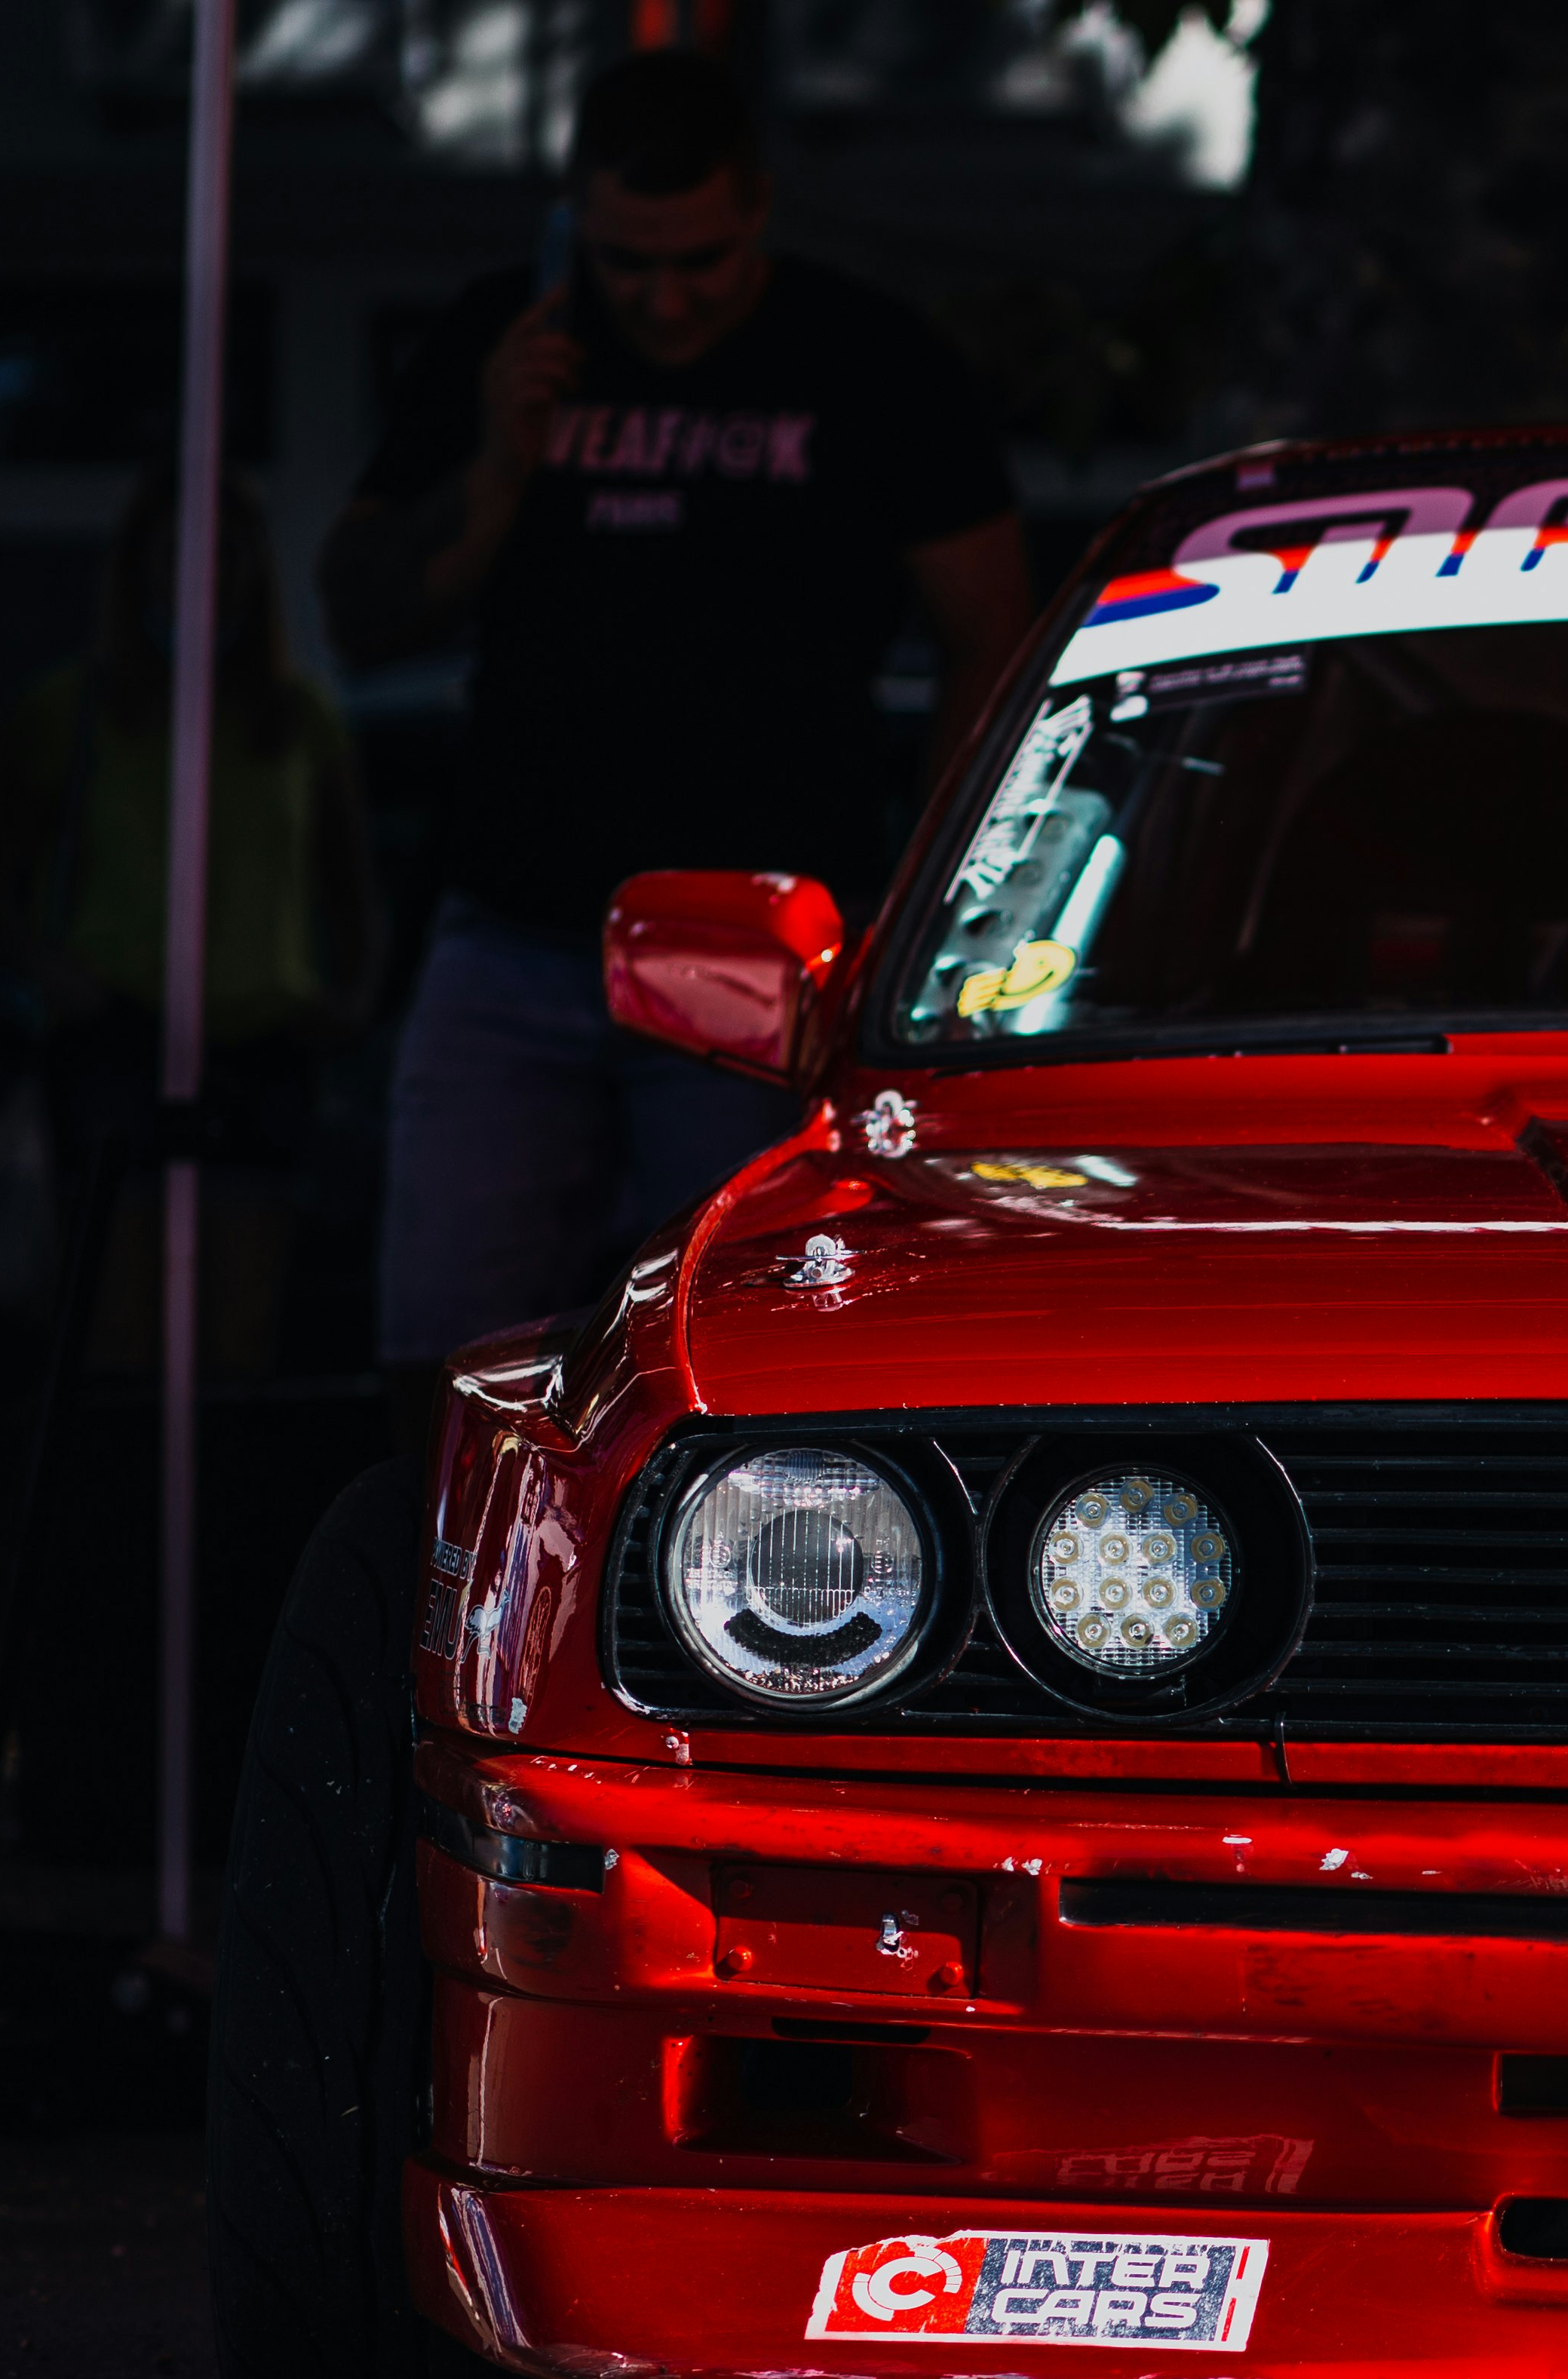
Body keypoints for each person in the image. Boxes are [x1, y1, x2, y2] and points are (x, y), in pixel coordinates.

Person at [319, 47, 1025, 1412]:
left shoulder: (866, 356)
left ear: (756, 206)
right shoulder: (506, 337)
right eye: (626, 260)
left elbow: (989, 631)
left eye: (695, 258)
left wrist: (919, 909)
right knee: (448, 1362)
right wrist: (496, 465)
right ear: (576, 218)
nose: (659, 296)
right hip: (520, 925)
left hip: (752, 961)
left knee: (732, 1361)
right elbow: (359, 614)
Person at [0, 463, 381, 1376]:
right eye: (180, 554)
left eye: (226, 555)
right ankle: (123, 1518)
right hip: (120, 1038)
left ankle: (216, 1518)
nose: (204, 577)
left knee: (238, 1342)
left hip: (257, 1045)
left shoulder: (297, 719)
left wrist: (349, 1002)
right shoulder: (75, 711)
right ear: (141, 568)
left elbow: (355, 887)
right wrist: (58, 977)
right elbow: (3, 878)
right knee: (120, 1336)